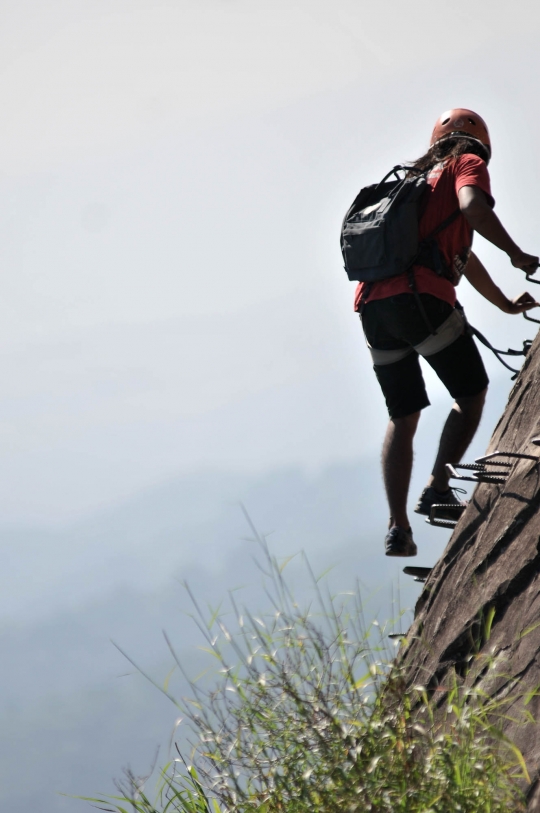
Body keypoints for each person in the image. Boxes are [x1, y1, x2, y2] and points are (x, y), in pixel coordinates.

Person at [356, 108, 539, 557]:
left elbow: (463, 258)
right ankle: (438, 485)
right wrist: (516, 254)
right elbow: (473, 208)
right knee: (471, 392)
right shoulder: (466, 164)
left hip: (373, 305)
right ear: (482, 147)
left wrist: (503, 303)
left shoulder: (412, 183)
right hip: (422, 298)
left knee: (403, 416)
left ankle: (398, 526)